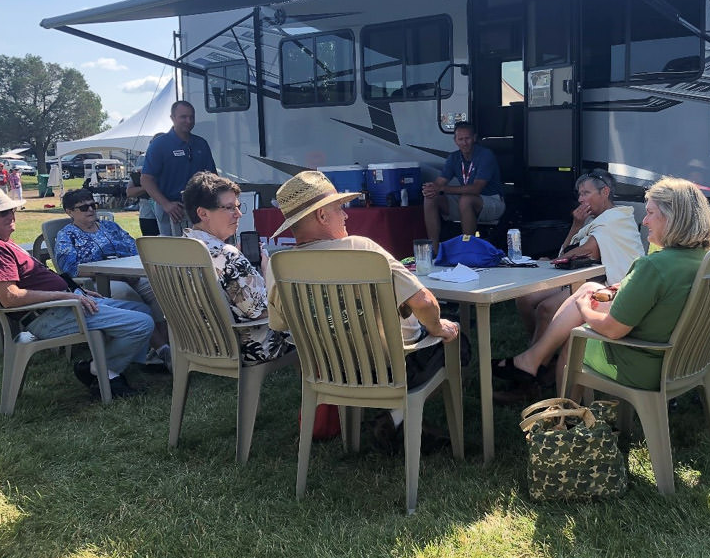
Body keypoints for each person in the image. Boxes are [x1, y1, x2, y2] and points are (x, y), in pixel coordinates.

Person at [264, 170, 459, 451]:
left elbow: (281, 325)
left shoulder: (277, 265)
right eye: (339, 208)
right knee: (458, 343)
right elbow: (424, 303)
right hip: (391, 365)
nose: (345, 215)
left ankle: (393, 419)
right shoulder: (361, 249)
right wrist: (438, 327)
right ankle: (398, 416)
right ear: (321, 216)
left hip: (330, 368)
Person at [494, 177, 710, 397]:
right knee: (589, 288)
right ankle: (531, 362)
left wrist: (585, 311)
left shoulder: (653, 266)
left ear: (673, 218)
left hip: (646, 364)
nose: (644, 221)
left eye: (651, 213)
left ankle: (565, 419)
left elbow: (613, 330)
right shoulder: (707, 259)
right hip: (686, 359)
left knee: (575, 339)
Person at [0, 187, 154, 399]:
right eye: (3, 212)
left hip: (63, 307)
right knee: (142, 323)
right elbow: (10, 297)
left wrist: (76, 290)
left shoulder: (1, 244)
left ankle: (103, 369)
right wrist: (67, 296)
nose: (11, 215)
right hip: (51, 315)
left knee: (141, 310)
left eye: (13, 210)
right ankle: (103, 372)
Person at [516, 169, 644, 346]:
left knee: (546, 309)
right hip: (580, 277)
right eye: (579, 194)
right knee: (524, 299)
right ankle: (539, 348)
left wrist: (552, 262)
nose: (580, 200)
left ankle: (537, 362)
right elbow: (565, 254)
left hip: (605, 285)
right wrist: (576, 225)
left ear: (605, 192)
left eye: (586, 193)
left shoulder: (615, 219)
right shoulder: (596, 220)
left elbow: (582, 253)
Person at [181, 171, 293, 363]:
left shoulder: (183, 247)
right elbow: (264, 311)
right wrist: (267, 271)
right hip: (247, 346)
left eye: (238, 207)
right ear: (203, 213)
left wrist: (240, 265)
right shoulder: (226, 255)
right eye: (230, 208)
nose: (239, 214)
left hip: (199, 341)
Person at [53, 188, 170, 362]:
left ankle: (164, 344)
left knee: (160, 290)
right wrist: (115, 274)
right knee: (127, 295)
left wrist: (127, 270)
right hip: (99, 281)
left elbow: (135, 249)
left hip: (130, 274)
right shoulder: (67, 236)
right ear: (69, 212)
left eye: (93, 205)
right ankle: (163, 351)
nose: (91, 210)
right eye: (83, 208)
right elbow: (71, 269)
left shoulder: (110, 227)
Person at [422, 121, 504, 254]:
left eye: (467, 138)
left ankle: (468, 250)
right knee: (430, 198)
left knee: (466, 199)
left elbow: (476, 188)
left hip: (492, 201)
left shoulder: (485, 155)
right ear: (455, 141)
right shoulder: (454, 157)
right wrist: (431, 188)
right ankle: (434, 251)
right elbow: (440, 183)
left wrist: (442, 189)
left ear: (474, 138)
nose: (464, 143)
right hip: (464, 202)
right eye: (461, 139)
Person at [140, 101, 216, 236]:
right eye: (183, 117)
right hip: (172, 209)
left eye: (192, 117)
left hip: (198, 209)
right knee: (174, 252)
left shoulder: (201, 144)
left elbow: (212, 178)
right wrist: (166, 204)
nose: (189, 121)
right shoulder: (160, 144)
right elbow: (146, 179)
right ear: (172, 118)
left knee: (201, 249)